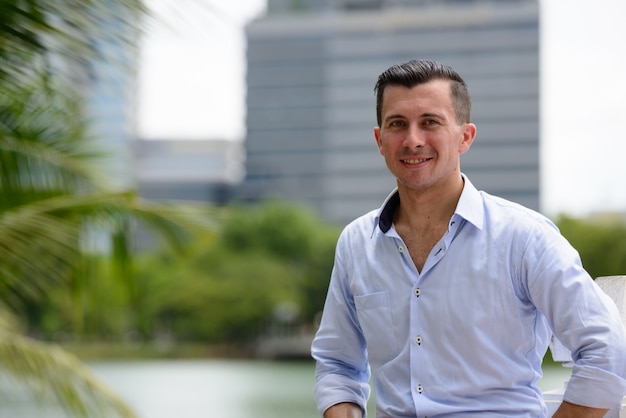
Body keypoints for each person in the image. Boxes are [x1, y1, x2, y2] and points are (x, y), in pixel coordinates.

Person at [310, 59, 626, 418]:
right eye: (398, 124)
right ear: (380, 140)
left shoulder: (525, 238)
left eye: (430, 122)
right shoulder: (356, 244)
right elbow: (337, 364)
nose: (413, 140)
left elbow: (607, 351)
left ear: (465, 137)